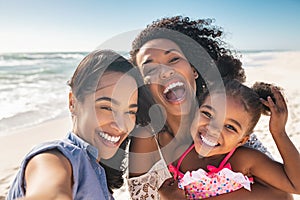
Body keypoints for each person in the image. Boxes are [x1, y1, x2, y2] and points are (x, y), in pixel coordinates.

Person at [127, 16, 291, 199]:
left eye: (173, 59)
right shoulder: (147, 142)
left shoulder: (227, 121)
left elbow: (284, 194)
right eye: (150, 70)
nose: (165, 72)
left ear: (194, 69)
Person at [6, 49, 153, 200]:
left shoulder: (96, 169)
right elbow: (50, 190)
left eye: (130, 112)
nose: (121, 126)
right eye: (106, 107)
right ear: (73, 103)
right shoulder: (55, 157)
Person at [168, 79, 300, 199]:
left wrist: (279, 133)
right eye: (208, 114)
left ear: (242, 140)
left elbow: (296, 186)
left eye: (230, 127)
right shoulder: (178, 153)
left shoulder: (244, 160)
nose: (214, 129)